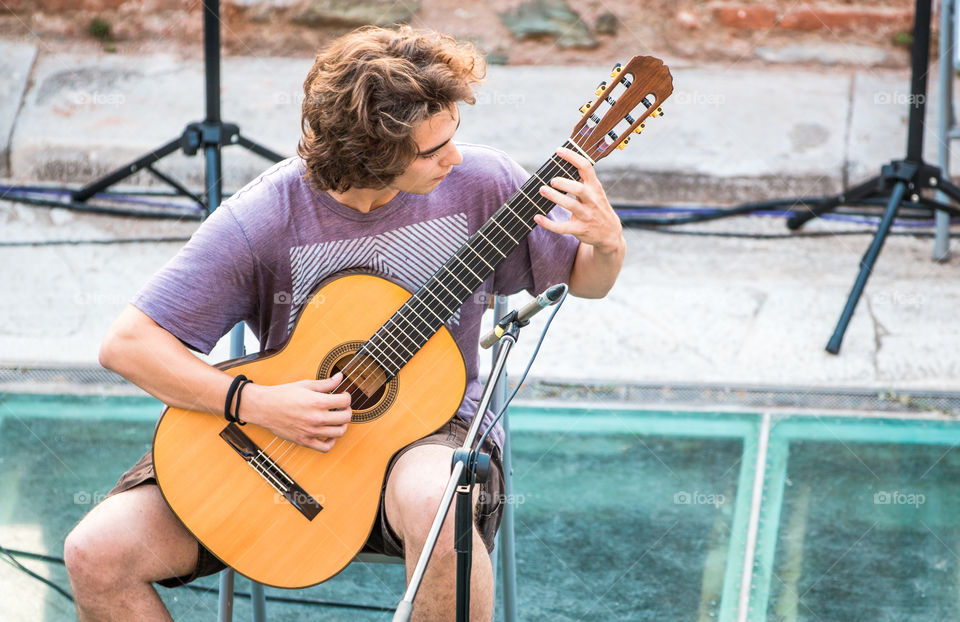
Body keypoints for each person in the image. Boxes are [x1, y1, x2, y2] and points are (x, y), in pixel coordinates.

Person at [63, 25, 625, 622]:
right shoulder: (264, 217)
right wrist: (256, 403)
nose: (453, 158)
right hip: (278, 442)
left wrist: (608, 244)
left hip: (429, 437)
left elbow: (585, 280)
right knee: (95, 553)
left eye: (452, 136)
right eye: (431, 151)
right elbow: (126, 346)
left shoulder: (484, 185)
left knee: (442, 509)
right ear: (371, 156)